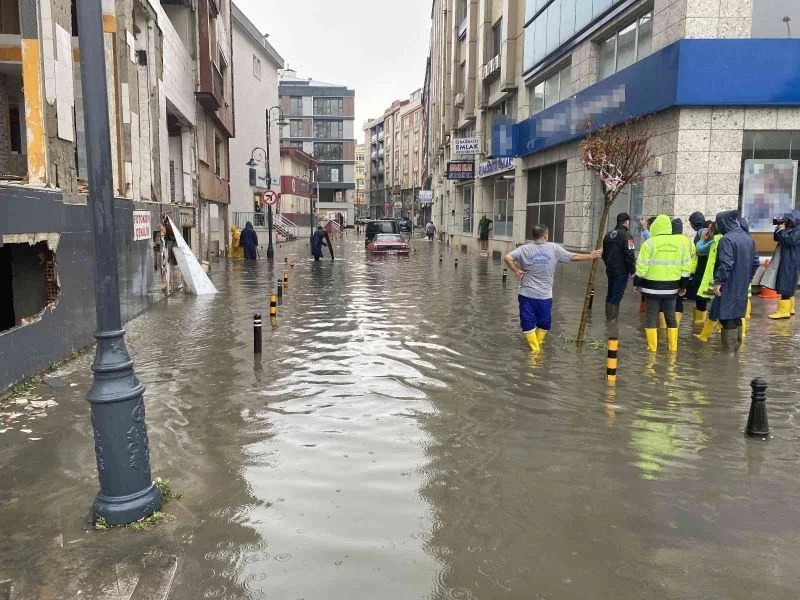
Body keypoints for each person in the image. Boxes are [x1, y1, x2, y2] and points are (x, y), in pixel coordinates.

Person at [504, 224, 601, 353]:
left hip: (530, 294)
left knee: (535, 323)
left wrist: (516, 270)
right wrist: (591, 256)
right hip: (536, 295)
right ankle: (536, 352)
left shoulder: (524, 249)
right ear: (546, 235)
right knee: (542, 323)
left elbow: (507, 257)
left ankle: (536, 347)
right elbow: (573, 257)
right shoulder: (553, 248)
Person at [634, 215, 692, 353]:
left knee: (651, 317)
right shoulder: (681, 244)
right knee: (671, 317)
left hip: (651, 289)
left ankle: (652, 349)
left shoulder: (649, 244)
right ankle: (673, 349)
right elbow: (686, 267)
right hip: (672, 289)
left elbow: (641, 267)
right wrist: (683, 286)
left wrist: (637, 283)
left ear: (655, 227)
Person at [706, 210, 759, 350]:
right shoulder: (748, 238)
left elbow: (726, 264)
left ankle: (728, 354)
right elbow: (755, 262)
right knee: (737, 316)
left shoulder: (727, 239)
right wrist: (747, 278)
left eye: (718, 222)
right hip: (742, 284)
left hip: (728, 285)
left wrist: (718, 282)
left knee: (727, 317)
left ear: (723, 223)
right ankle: (736, 351)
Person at [601, 212, 636, 324]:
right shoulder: (627, 236)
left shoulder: (608, 234)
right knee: (617, 295)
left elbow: (604, 254)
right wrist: (632, 270)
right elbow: (630, 254)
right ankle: (612, 322)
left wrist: (608, 264)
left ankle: (608, 319)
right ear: (626, 222)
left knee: (610, 293)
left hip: (610, 270)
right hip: (622, 271)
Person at [768, 210, 800, 319]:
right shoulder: (790, 228)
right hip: (788, 258)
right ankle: (790, 308)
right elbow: (777, 238)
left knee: (786, 283)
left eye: (787, 220)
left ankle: (783, 311)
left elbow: (790, 240)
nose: (786, 222)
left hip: (791, 260)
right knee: (788, 283)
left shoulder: (798, 229)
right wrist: (779, 228)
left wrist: (782, 230)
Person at [694, 222, 722, 343]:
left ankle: (705, 331)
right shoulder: (722, 238)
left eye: (709, 230)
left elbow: (699, 249)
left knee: (715, 305)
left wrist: (702, 239)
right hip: (718, 277)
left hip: (713, 277)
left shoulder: (713, 242)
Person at [686, 211, 711, 323]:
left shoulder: (702, 233)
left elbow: (699, 250)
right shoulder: (706, 232)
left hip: (701, 269)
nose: (690, 226)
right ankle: (699, 319)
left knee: (700, 295)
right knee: (701, 295)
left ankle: (700, 321)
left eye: (691, 223)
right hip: (704, 268)